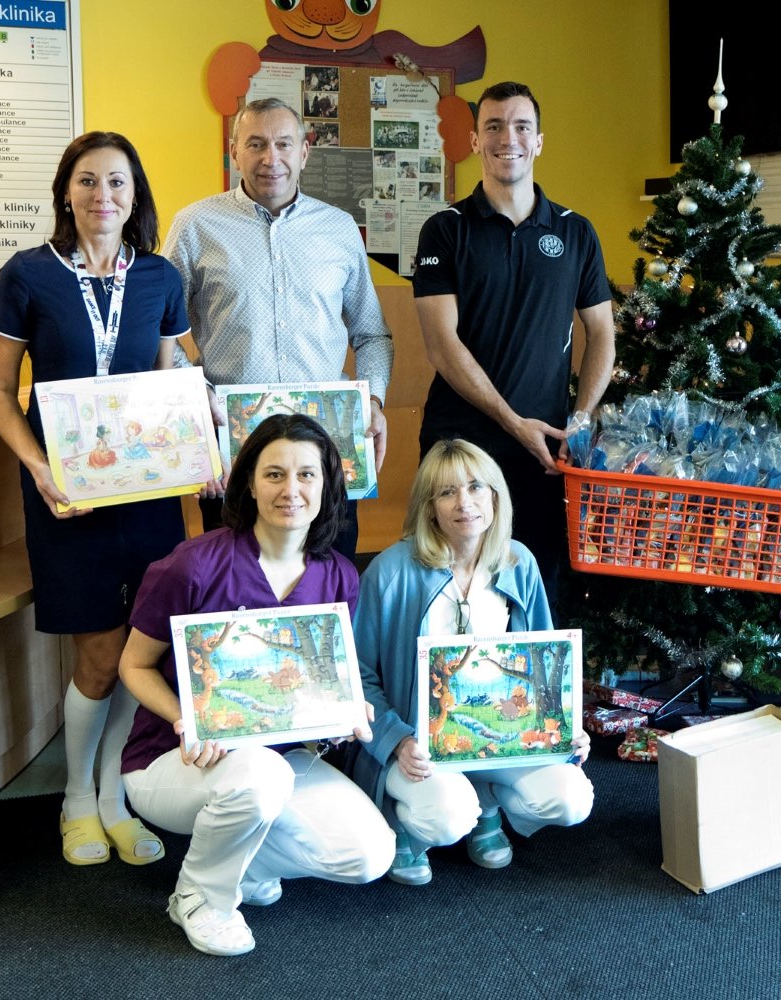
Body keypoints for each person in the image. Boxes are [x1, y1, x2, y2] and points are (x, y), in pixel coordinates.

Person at [0, 131, 194, 867]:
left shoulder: (161, 277)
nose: (102, 195)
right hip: (65, 491)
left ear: (135, 196)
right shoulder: (27, 275)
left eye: (117, 182)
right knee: (100, 653)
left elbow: (167, 385)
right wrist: (39, 468)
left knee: (143, 646)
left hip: (146, 493)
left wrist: (197, 441)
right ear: (65, 192)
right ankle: (77, 798)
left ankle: (116, 797)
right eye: (87, 181)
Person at [118, 414, 394, 955]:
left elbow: (322, 682)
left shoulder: (339, 575)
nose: (291, 490)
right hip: (174, 760)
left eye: (306, 475)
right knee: (259, 775)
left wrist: (346, 711)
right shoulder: (193, 566)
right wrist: (186, 720)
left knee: (368, 855)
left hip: (279, 761)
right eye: (274, 474)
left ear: (327, 485)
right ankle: (199, 898)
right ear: (248, 482)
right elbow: (134, 666)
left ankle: (239, 862)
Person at [352, 438, 593, 886]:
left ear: (495, 497)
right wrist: (396, 741)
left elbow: (547, 665)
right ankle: (405, 823)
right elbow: (359, 675)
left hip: (500, 735)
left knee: (570, 798)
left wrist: (564, 727)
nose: (465, 503)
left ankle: (487, 802)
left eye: (476, 487)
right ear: (429, 508)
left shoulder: (519, 562)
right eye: (447, 492)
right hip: (418, 744)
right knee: (446, 818)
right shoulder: (390, 571)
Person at [412, 81, 616, 605]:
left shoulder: (575, 232)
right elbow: (441, 345)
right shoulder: (444, 230)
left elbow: (602, 334)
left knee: (535, 585)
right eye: (494, 126)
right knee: (449, 586)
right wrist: (512, 422)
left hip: (545, 451)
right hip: (460, 445)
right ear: (475, 141)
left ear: (539, 141)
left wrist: (579, 423)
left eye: (522, 126)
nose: (509, 138)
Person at [164, 96, 393, 557]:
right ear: (235, 152)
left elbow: (372, 333)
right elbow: (158, 330)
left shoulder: (339, 228)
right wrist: (194, 394)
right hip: (234, 457)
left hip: (325, 454)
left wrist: (372, 401)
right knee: (235, 583)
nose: (271, 158)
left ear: (304, 152)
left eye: (284, 144)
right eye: (256, 144)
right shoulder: (194, 226)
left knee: (327, 581)